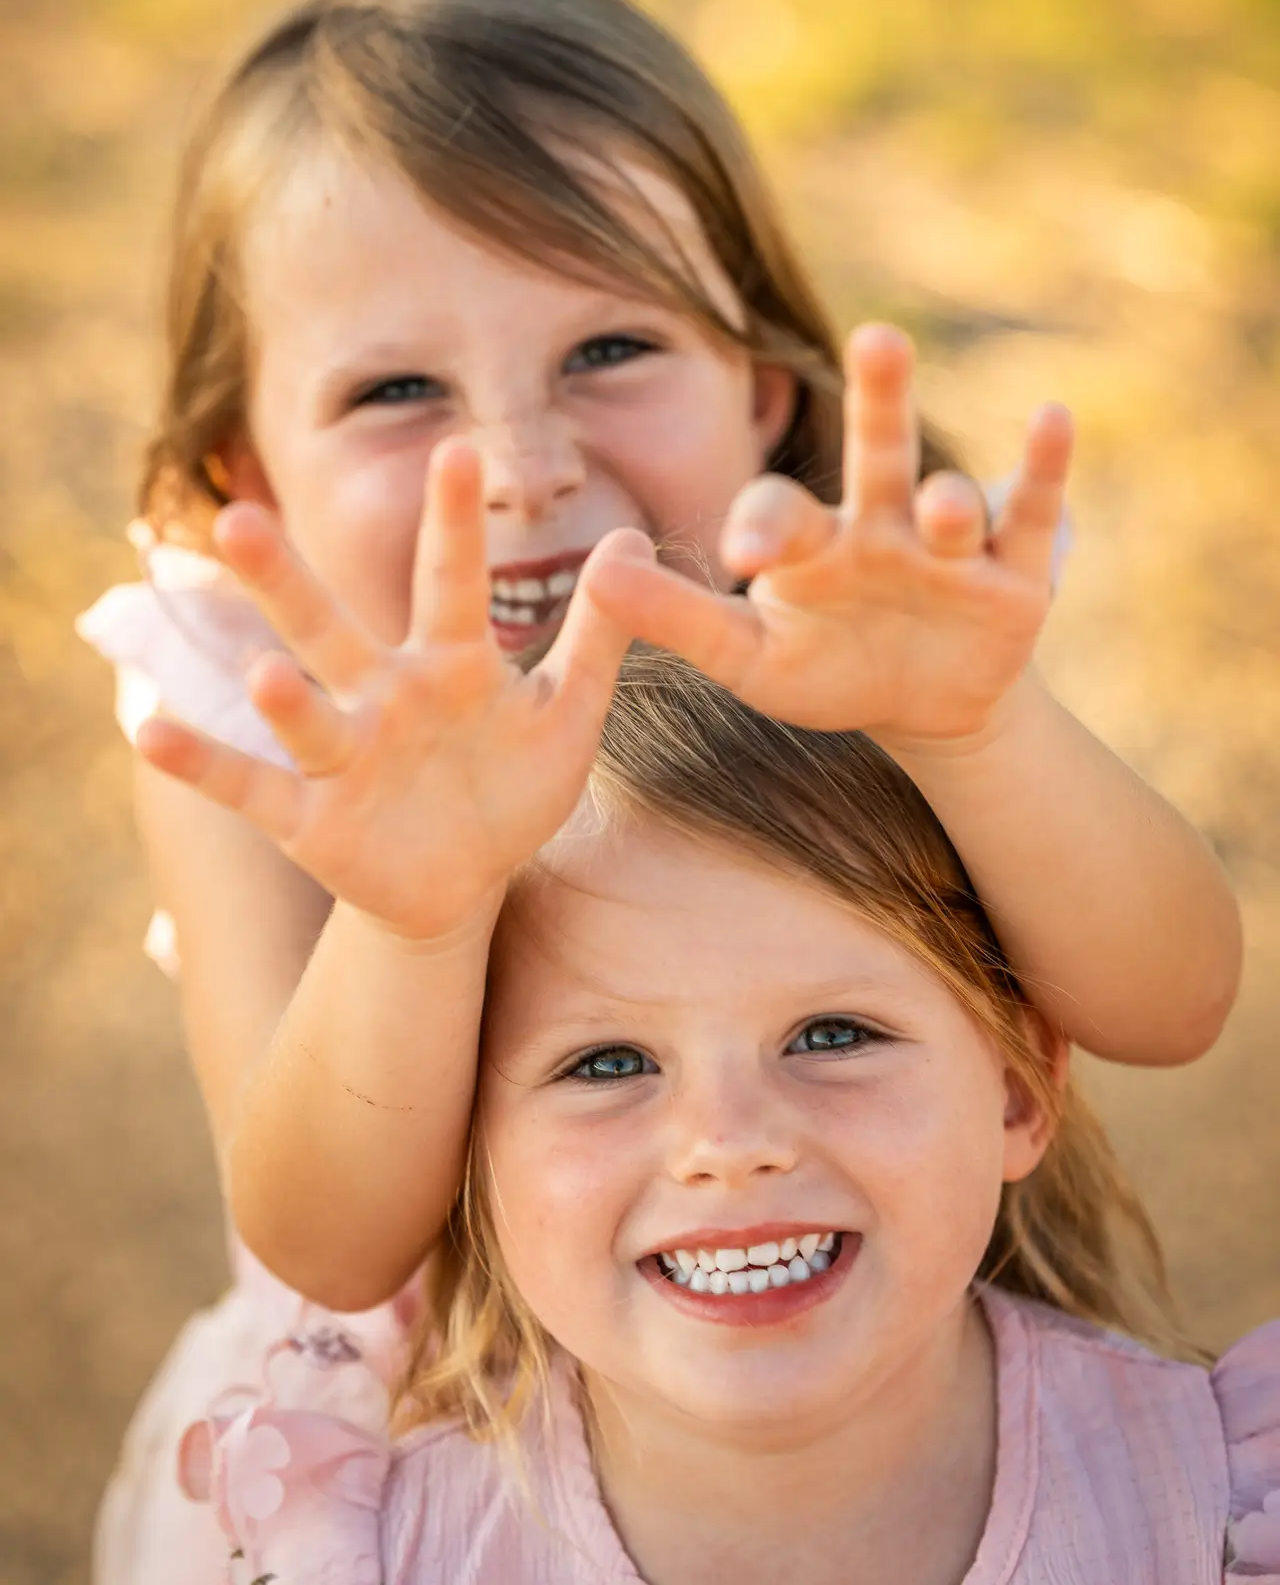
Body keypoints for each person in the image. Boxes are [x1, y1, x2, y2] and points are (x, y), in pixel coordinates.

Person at [79, 0, 1241, 1575]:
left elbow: (1168, 1001)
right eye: (399, 390)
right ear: (243, 469)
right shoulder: (253, 719)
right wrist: (417, 916)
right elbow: (332, 1243)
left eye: (609, 351)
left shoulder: (855, 619)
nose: (522, 465)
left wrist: (976, 731)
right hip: (428, 1465)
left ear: (762, 391)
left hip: (872, 1406)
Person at [175, 627, 1280, 1583]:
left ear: (1013, 1090)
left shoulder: (1217, 1511)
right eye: (606, 1063)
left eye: (833, 1036)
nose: (728, 1145)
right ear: (467, 1148)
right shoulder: (386, 1553)